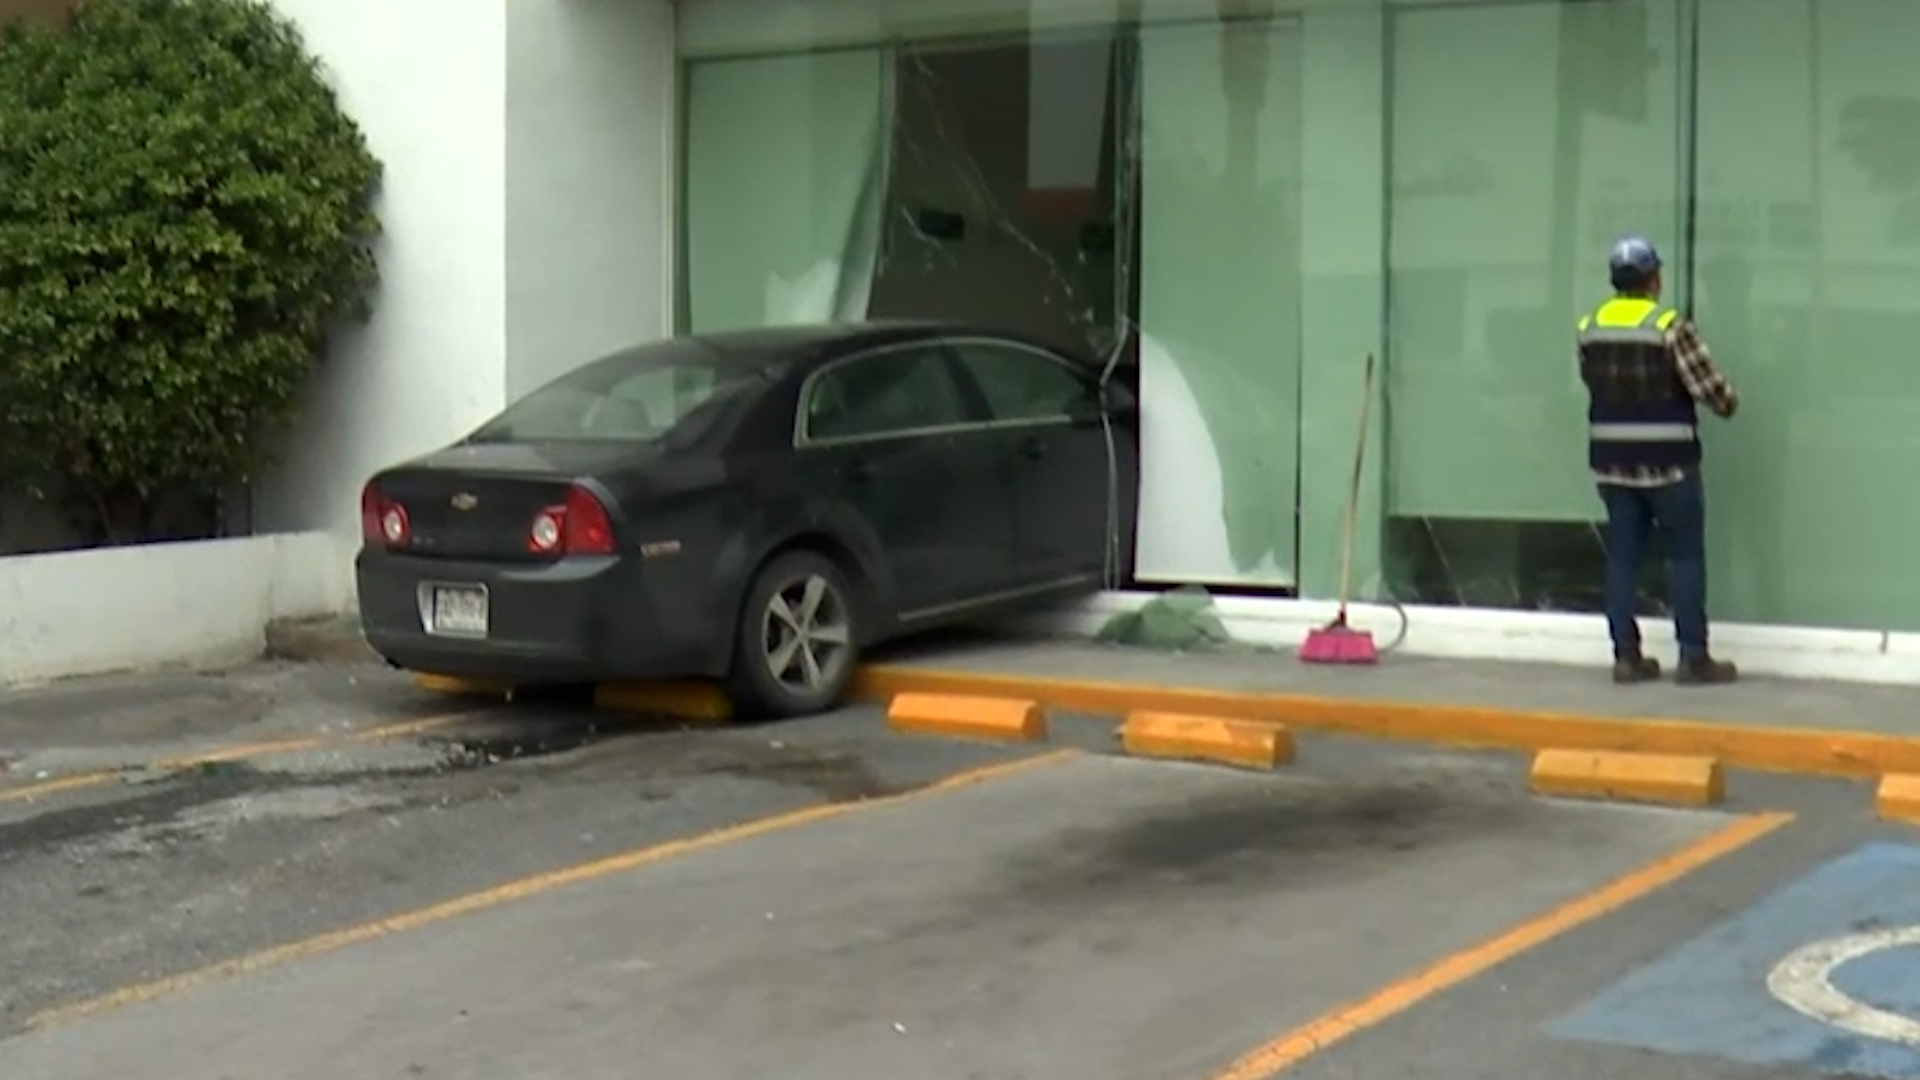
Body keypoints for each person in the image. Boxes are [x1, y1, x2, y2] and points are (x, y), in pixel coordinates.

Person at [1577, 236, 1740, 686]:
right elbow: (1712, 390)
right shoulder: (1669, 326)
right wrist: (1730, 402)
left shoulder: (1590, 326)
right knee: (1684, 556)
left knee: (1623, 559)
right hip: (1669, 463)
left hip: (1611, 462)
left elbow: (1592, 382)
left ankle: (1626, 657)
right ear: (1654, 279)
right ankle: (1692, 657)